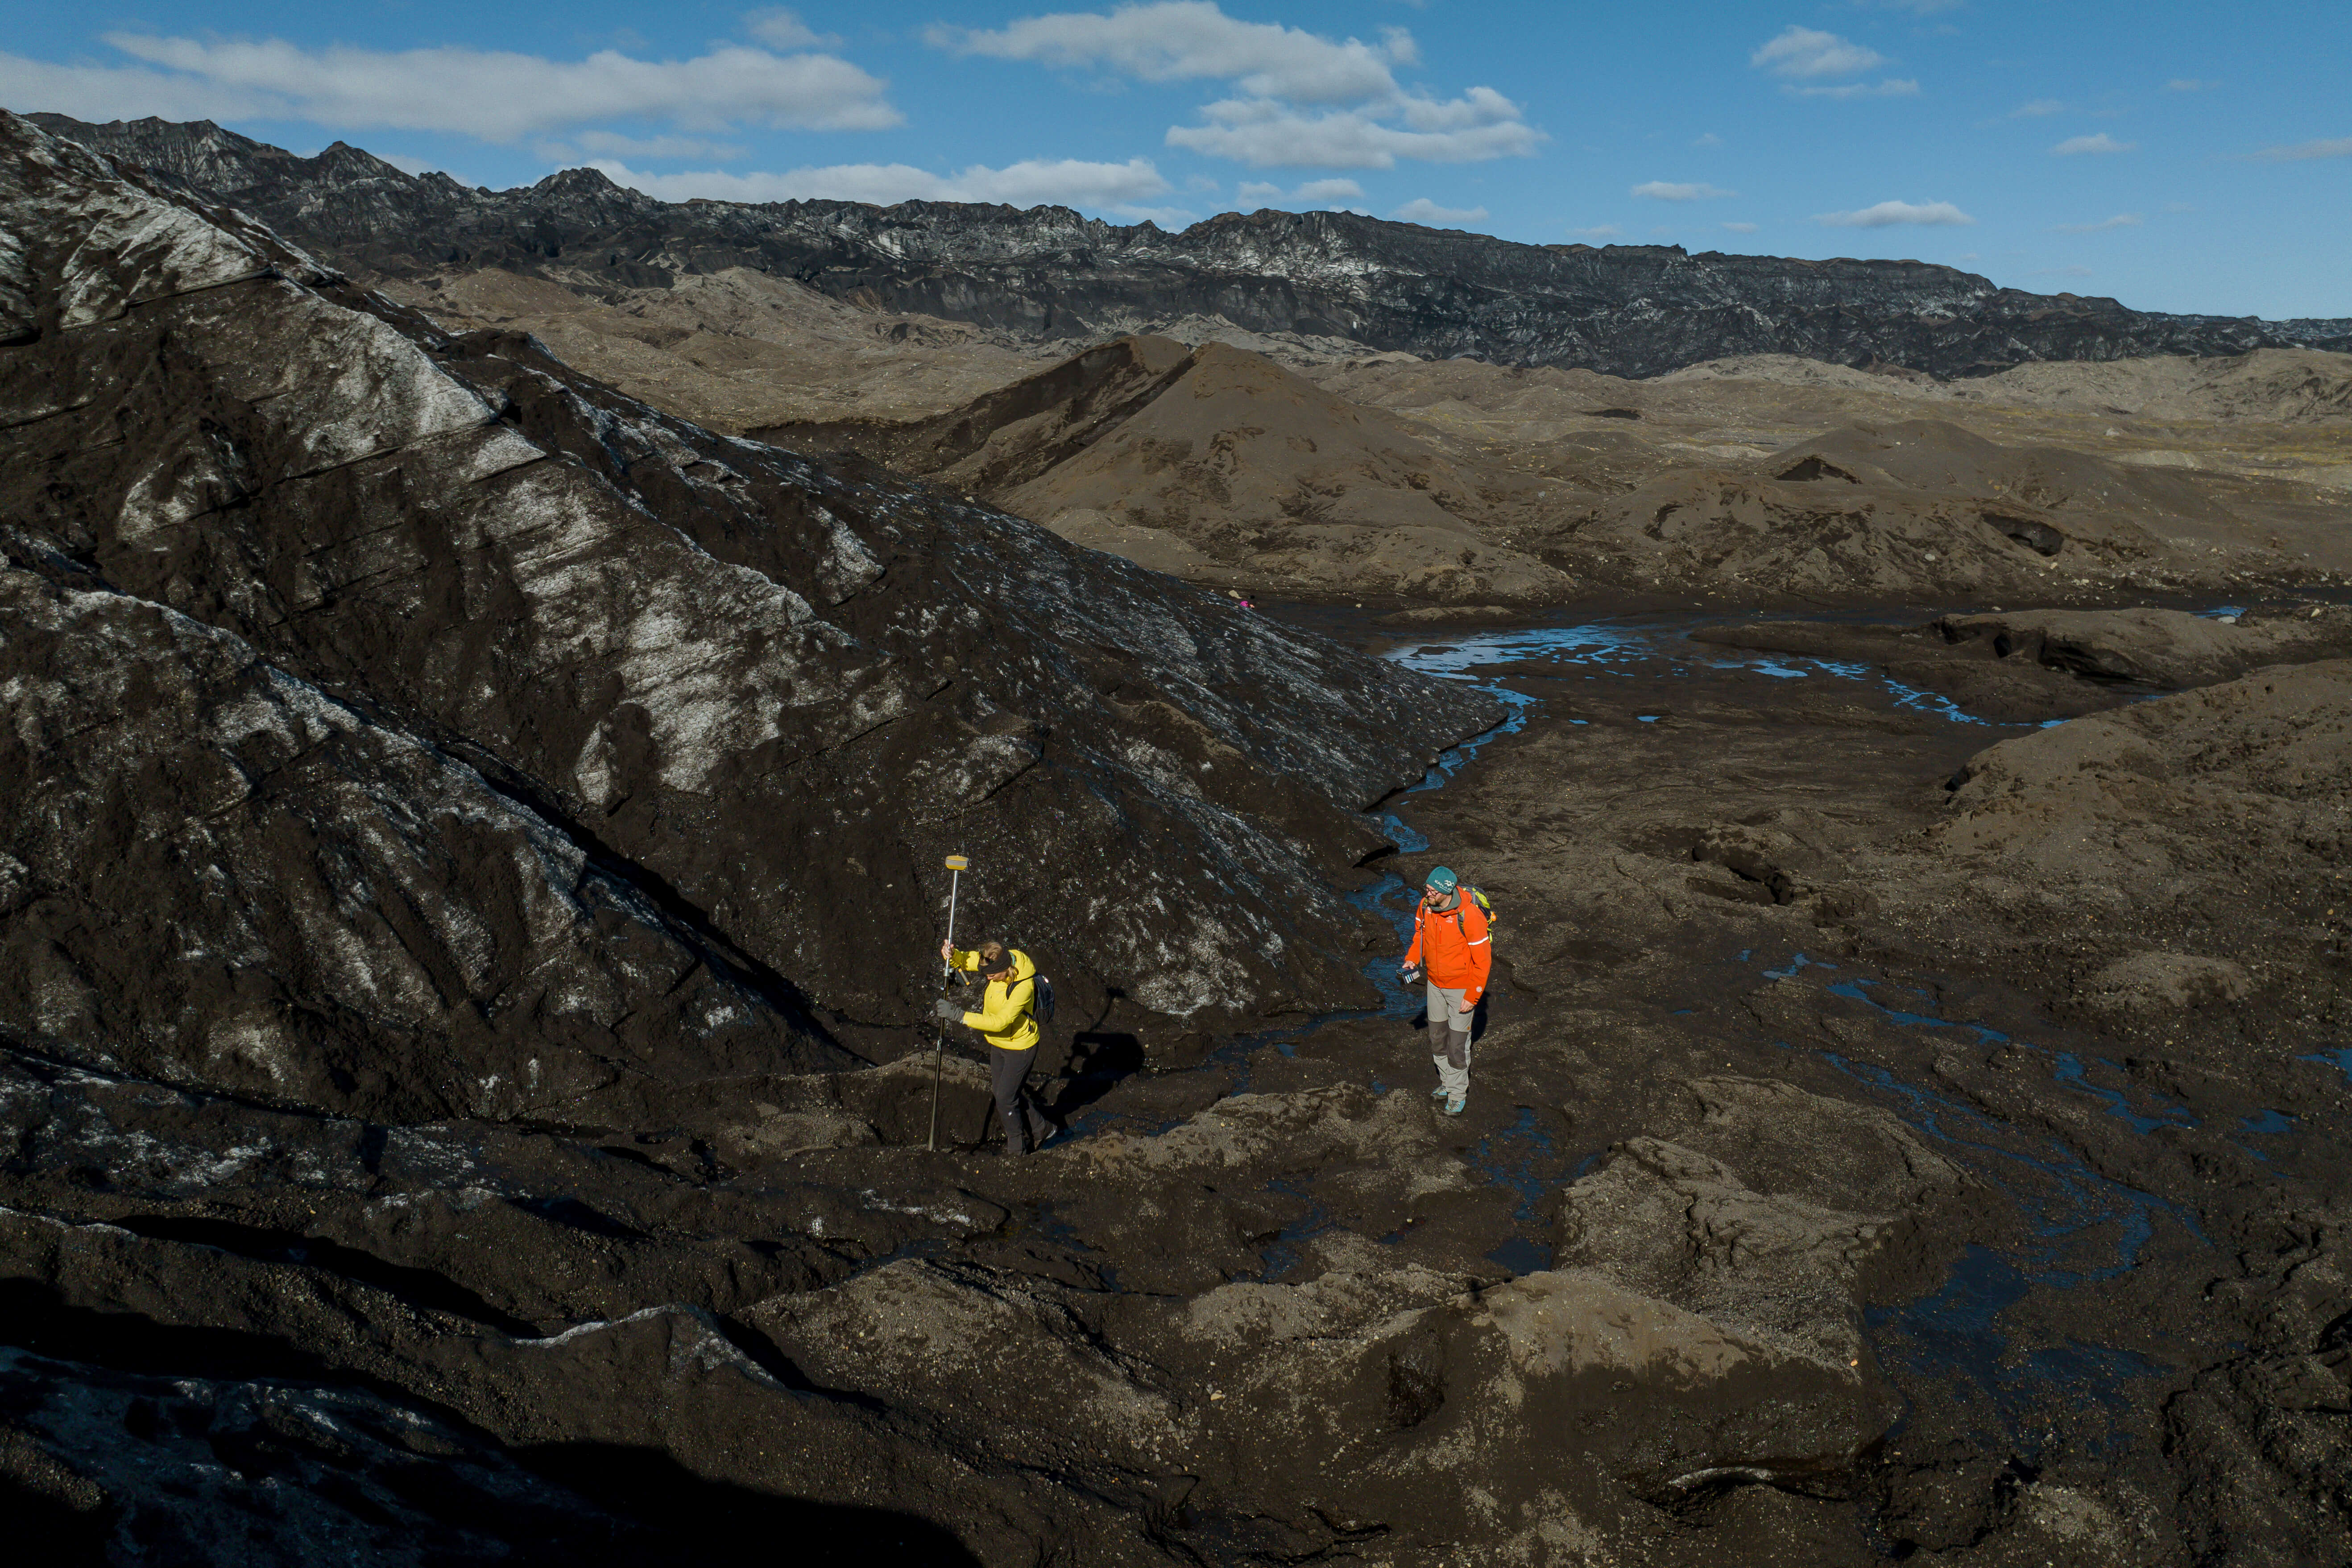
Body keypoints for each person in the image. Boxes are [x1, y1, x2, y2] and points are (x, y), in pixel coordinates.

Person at [936, 938, 1050, 1157]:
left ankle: (1017, 1149)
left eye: (992, 976)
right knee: (1003, 1093)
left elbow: (1000, 1022)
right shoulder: (997, 959)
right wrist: (954, 955)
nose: (987, 978)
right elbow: (972, 961)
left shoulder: (1023, 987)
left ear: (1005, 970)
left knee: (1006, 1098)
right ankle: (1042, 1128)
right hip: (998, 1044)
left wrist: (958, 1015)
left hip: (1020, 1048)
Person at [1399, 866, 1489, 1115]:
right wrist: (1412, 960)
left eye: (1431, 890)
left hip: (1462, 988)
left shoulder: (1469, 916)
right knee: (1438, 1039)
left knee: (1457, 1046)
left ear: (1445, 892)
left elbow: (1483, 962)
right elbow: (1420, 934)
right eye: (1426, 889)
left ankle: (1458, 1095)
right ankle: (1447, 1083)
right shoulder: (1425, 906)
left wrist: (1473, 997)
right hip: (1435, 985)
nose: (1426, 893)